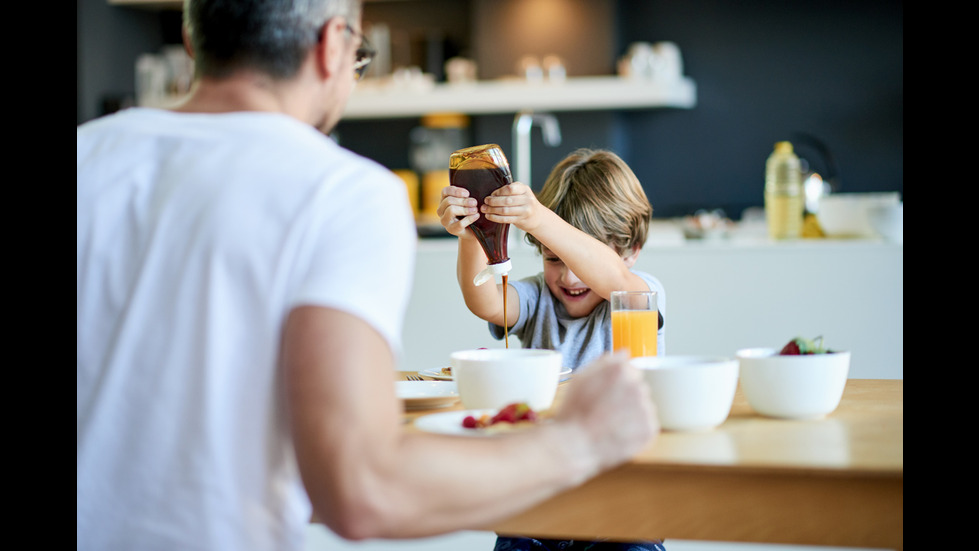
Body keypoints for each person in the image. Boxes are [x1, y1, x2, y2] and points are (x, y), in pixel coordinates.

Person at [76, 1, 660, 550]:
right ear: (333, 45)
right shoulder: (341, 193)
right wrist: (579, 441)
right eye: (359, 54)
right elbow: (361, 488)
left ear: (190, 38)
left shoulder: (86, 157)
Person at [438, 148, 667, 551]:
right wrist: (473, 232)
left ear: (631, 251)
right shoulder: (536, 297)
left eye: (581, 256)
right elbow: (485, 301)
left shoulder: (638, 295)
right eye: (552, 258)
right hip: (540, 500)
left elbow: (615, 279)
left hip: (624, 505)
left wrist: (539, 218)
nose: (570, 275)